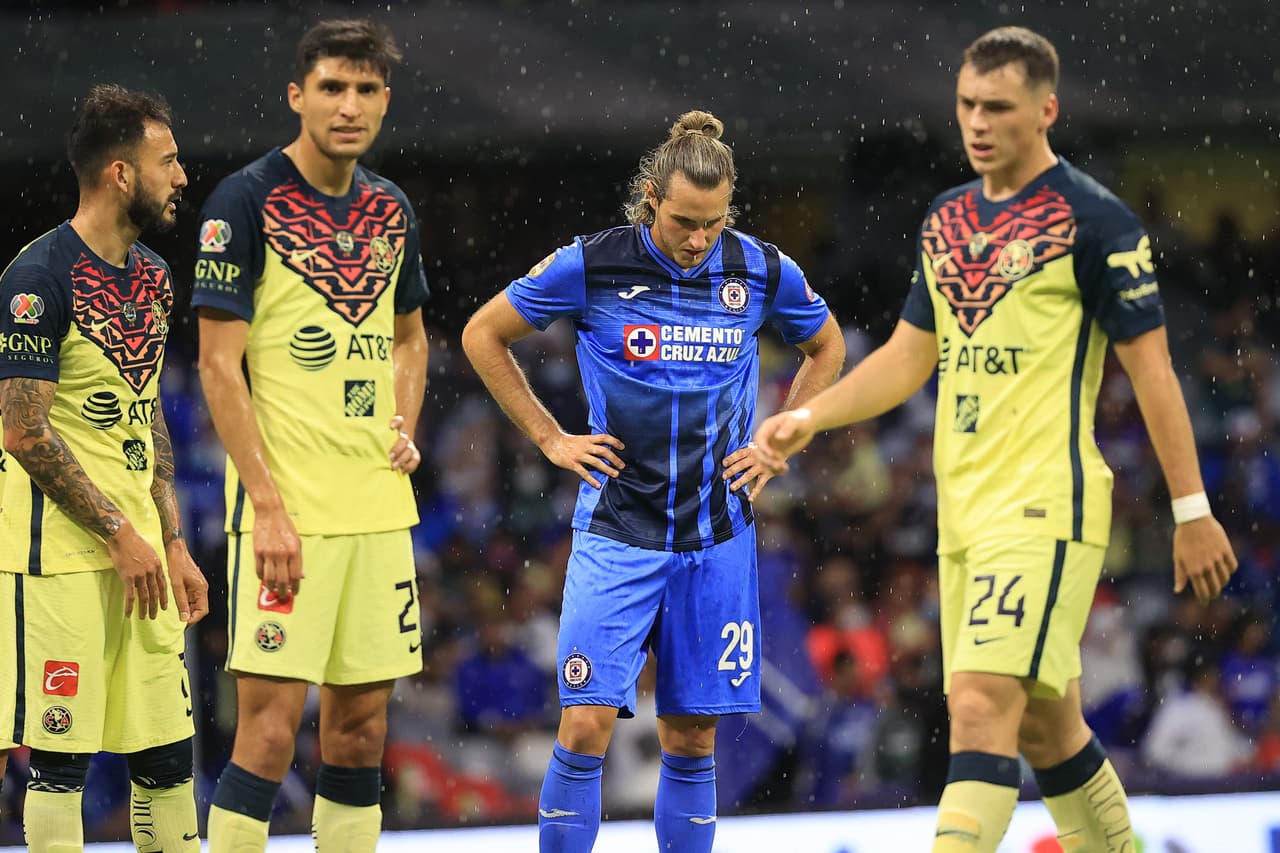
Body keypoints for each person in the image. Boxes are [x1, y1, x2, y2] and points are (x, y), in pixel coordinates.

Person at [753, 26, 1238, 853]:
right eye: (967, 105)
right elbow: (910, 355)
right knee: (1049, 728)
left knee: (978, 705)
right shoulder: (947, 218)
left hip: (1044, 504)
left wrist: (1192, 509)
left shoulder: (1097, 222)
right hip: (966, 513)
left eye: (999, 107)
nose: (978, 122)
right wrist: (810, 416)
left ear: (1046, 111)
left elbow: (1154, 372)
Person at [462, 109, 845, 853]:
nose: (699, 240)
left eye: (713, 222)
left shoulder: (761, 269)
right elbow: (484, 333)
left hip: (718, 535)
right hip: (617, 530)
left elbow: (826, 346)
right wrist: (549, 437)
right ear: (650, 201)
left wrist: (780, 439)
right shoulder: (592, 264)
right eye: (683, 222)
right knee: (584, 723)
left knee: (693, 736)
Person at [192, 19, 429, 853]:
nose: (349, 105)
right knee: (266, 733)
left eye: (365, 89)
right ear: (297, 96)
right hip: (287, 513)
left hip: (377, 511)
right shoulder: (243, 201)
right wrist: (267, 506)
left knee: (361, 732)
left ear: (385, 101)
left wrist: (404, 424)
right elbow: (217, 365)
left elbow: (410, 337)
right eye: (332, 87)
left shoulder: (392, 208)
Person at [0, 83, 209, 853]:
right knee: (60, 765)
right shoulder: (36, 278)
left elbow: (142, 409)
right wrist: (120, 532)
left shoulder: (153, 276)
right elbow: (24, 432)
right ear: (121, 174)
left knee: (167, 759)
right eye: (168, 161)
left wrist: (170, 538)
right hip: (56, 560)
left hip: (142, 555)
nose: (181, 176)